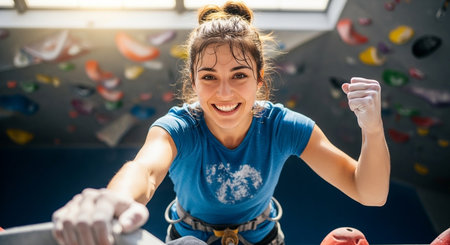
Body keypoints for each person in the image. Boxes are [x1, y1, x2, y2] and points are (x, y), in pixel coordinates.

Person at [52, 1, 391, 245]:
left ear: (260, 80)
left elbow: (370, 193)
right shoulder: (179, 127)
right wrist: (113, 200)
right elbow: (145, 171)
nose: (224, 91)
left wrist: (372, 129)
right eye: (209, 76)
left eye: (239, 75)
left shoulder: (283, 126)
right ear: (193, 81)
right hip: (187, 240)